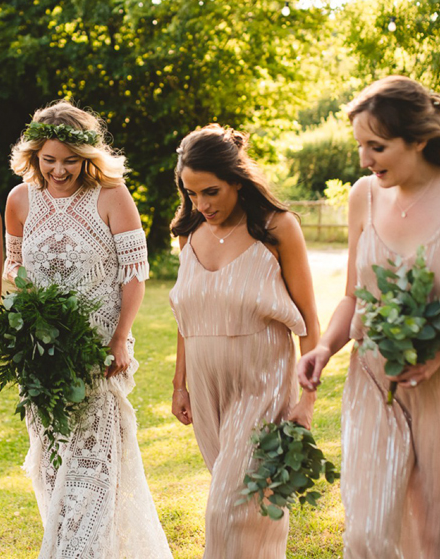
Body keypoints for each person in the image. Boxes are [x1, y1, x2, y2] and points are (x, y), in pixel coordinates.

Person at [297, 76, 440, 558]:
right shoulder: (363, 195)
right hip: (375, 387)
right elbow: (353, 297)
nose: (363, 160)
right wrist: (323, 348)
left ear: (418, 139)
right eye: (360, 145)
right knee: (368, 534)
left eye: (376, 146)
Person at [4, 101, 172, 559]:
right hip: (41, 357)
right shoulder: (19, 200)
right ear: (34, 154)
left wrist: (119, 337)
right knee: (55, 468)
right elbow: (15, 269)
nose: (60, 170)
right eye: (49, 159)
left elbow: (134, 273)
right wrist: (27, 323)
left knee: (94, 471)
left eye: (71, 160)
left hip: (98, 353)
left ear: (88, 156)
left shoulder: (112, 195)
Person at [168, 125, 321, 558]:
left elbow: (309, 321)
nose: (202, 204)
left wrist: (307, 401)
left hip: (262, 383)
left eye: (211, 191)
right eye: (192, 193)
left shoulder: (277, 228)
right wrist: (181, 384)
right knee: (249, 510)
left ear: (237, 179)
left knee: (226, 511)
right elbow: (186, 316)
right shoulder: (189, 232)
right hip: (207, 389)